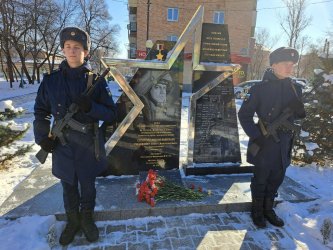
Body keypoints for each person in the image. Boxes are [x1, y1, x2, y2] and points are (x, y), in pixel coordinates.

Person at [33, 27, 117, 245]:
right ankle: (73, 221)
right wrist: (43, 137)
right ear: (62, 50)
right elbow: (41, 111)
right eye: (68, 47)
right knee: (68, 186)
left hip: (88, 146)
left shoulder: (96, 81)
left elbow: (111, 114)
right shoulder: (51, 81)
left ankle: (87, 219)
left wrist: (91, 107)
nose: (72, 51)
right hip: (62, 145)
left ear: (86, 52)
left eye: (77, 47)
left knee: (88, 186)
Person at [238, 47, 306, 228]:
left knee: (277, 179)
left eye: (292, 65)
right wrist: (256, 135)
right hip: (265, 142)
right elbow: (244, 115)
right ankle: (257, 211)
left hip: (284, 144)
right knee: (260, 179)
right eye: (285, 64)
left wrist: (299, 110)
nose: (290, 68)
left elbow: (299, 116)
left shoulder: (296, 88)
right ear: (274, 64)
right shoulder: (258, 89)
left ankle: (269, 210)